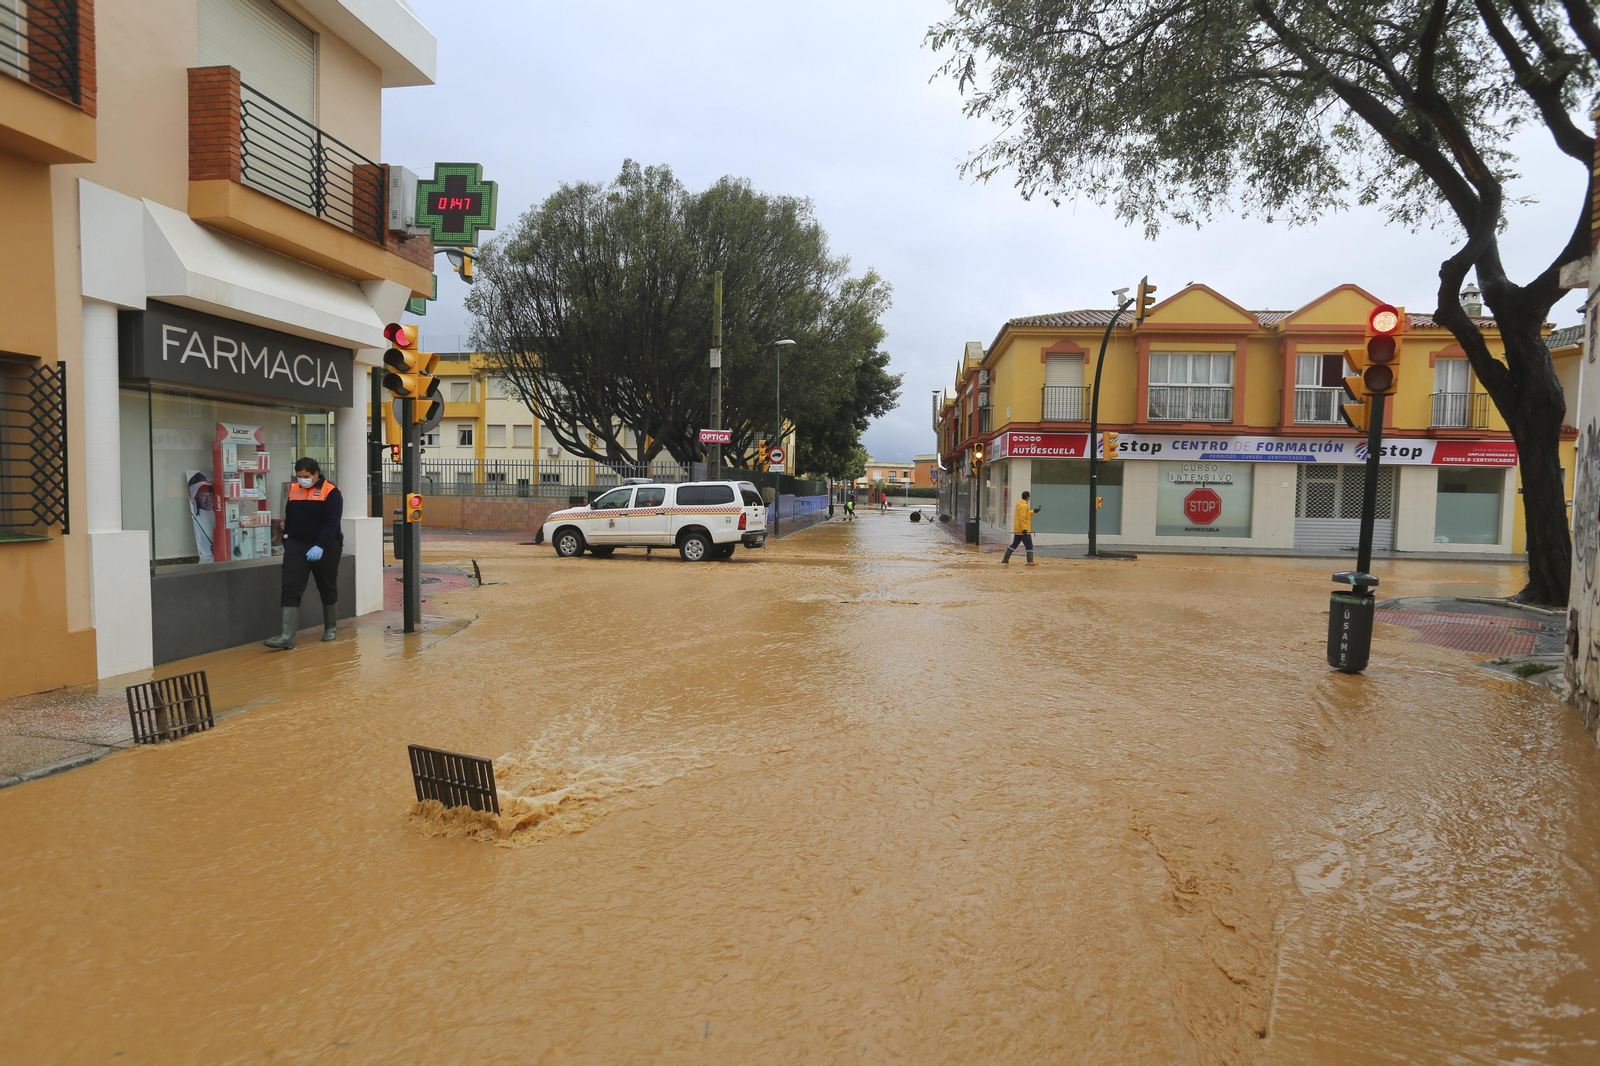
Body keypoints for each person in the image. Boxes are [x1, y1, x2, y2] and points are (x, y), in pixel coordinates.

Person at [265, 457, 343, 649]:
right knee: (290, 587)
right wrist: (287, 539)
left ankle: (330, 628)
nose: (302, 480)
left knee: (326, 585)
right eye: (299, 476)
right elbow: (290, 516)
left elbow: (333, 522)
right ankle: (287, 637)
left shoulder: (331, 491)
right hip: (297, 545)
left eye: (306, 476)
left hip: (325, 546)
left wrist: (321, 545)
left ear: (316, 474)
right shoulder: (294, 490)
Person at [1003, 490, 1041, 565]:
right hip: (1023, 531)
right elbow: (1023, 518)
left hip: (1018, 530)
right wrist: (1024, 529)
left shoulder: (1020, 504)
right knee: (1029, 546)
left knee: (1014, 545)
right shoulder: (1024, 506)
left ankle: (1005, 560)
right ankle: (1030, 563)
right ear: (1028, 497)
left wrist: (1034, 511)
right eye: (1029, 497)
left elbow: (1025, 514)